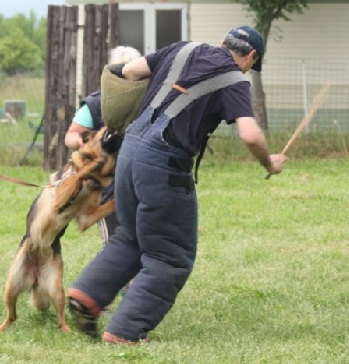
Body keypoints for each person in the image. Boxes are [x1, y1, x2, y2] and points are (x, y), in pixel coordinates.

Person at [67, 26, 287, 344]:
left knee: (130, 236)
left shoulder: (181, 49)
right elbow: (250, 135)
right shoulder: (235, 79)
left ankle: (86, 296)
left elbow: (128, 70)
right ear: (250, 56)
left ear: (224, 42)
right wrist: (270, 162)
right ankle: (125, 332)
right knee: (171, 257)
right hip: (164, 165)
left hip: (129, 153)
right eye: (252, 64)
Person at [64, 45, 141, 246]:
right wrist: (80, 142)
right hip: (108, 184)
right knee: (116, 243)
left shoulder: (148, 100)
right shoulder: (96, 102)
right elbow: (71, 135)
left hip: (141, 179)